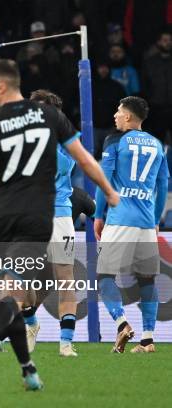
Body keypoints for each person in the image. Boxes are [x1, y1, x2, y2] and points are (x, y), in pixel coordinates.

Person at [0, 59, 119, 391]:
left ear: (2, 86)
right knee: (17, 295)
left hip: (0, 215)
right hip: (36, 215)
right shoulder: (51, 122)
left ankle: (28, 368)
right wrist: (109, 192)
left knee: (15, 292)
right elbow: (86, 160)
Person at [0, 90, 96, 358]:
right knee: (17, 282)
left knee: (65, 280)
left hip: (58, 217)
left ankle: (66, 343)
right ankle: (14, 329)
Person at [95, 96, 169, 354]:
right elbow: (162, 185)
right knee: (147, 280)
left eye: (118, 110)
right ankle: (148, 340)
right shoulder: (157, 144)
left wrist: (97, 215)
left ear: (127, 117)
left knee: (104, 275)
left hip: (120, 218)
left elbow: (103, 179)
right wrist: (157, 219)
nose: (115, 114)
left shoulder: (114, 140)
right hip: (147, 222)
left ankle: (121, 323)